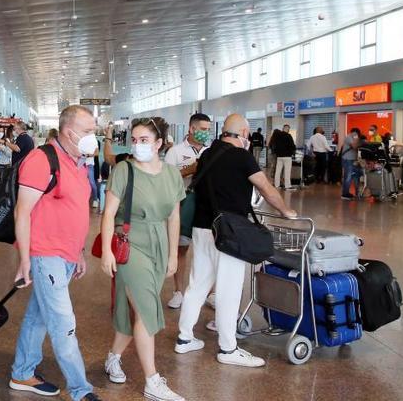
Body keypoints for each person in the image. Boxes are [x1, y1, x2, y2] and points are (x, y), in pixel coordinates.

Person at [175, 114, 297, 368]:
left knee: (197, 284)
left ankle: (185, 338)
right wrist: (285, 210)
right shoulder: (241, 157)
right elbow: (265, 187)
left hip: (203, 228)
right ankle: (228, 347)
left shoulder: (208, 154)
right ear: (243, 132)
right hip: (229, 231)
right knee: (229, 289)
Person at [9, 105, 101, 401]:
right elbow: (21, 213)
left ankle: (22, 372)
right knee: (63, 323)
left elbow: (74, 212)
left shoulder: (79, 161)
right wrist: (25, 260)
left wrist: (80, 252)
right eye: (88, 131)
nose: (93, 137)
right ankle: (81, 389)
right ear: (68, 131)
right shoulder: (41, 160)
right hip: (44, 253)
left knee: (38, 317)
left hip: (66, 255)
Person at [100, 117, 186, 401]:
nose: (138, 145)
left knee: (137, 309)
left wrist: (173, 253)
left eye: (144, 140)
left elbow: (174, 217)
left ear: (159, 143)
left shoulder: (172, 174)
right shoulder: (124, 170)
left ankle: (113, 356)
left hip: (158, 243)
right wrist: (109, 252)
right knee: (147, 309)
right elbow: (109, 213)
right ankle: (152, 380)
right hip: (130, 243)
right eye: (134, 140)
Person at [162, 113, 212, 310]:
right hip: (183, 206)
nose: (205, 133)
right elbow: (165, 179)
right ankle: (178, 291)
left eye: (208, 130)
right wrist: (189, 169)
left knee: (208, 251)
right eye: (202, 129)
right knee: (181, 249)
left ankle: (210, 293)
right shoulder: (175, 152)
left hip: (206, 207)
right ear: (191, 129)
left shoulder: (212, 151)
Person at [271, 124, 297, 190]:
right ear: (287, 129)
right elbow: (292, 146)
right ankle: (287, 186)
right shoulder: (288, 136)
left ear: (283, 128)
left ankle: (277, 185)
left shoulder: (277, 136)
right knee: (287, 171)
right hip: (287, 156)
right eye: (288, 129)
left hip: (279, 156)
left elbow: (275, 146)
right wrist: (292, 152)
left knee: (278, 171)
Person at [340, 128, 363, 200]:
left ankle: (356, 192)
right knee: (348, 177)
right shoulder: (350, 137)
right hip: (347, 159)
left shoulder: (352, 137)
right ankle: (345, 194)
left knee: (356, 176)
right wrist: (356, 138)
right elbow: (354, 146)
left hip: (352, 160)